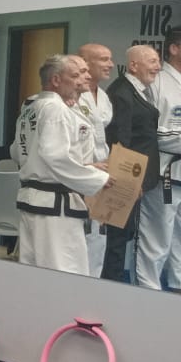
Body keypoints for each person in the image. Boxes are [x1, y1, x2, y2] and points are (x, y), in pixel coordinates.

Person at [12, 54, 113, 274]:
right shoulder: (55, 109)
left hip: (36, 201)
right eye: (76, 75)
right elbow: (55, 156)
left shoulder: (32, 106)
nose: (83, 79)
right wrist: (98, 178)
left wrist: (85, 168)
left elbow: (17, 151)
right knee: (63, 271)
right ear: (56, 80)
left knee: (36, 271)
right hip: (53, 207)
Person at [103, 44, 161, 283]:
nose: (158, 67)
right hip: (126, 177)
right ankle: (111, 285)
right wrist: (128, 181)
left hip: (138, 176)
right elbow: (120, 139)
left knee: (124, 235)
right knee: (116, 237)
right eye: (153, 61)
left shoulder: (139, 90)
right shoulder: (121, 93)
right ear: (134, 65)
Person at [137, 34, 181, 289]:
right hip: (163, 173)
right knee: (157, 237)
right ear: (174, 48)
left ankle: (177, 287)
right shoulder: (157, 83)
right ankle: (148, 290)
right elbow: (148, 132)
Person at [77, 43, 115, 276]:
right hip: (80, 173)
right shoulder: (72, 98)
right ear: (85, 62)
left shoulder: (104, 96)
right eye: (104, 59)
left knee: (99, 234)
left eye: (110, 59)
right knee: (80, 236)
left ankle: (94, 282)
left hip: (102, 172)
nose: (110, 64)